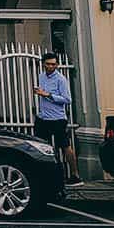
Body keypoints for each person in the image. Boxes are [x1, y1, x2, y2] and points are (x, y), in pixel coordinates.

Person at [34, 52, 82, 186]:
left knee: (65, 146)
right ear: (43, 64)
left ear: (57, 65)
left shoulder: (61, 79)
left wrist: (48, 94)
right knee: (43, 147)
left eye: (53, 64)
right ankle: (47, 176)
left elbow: (67, 99)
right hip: (43, 118)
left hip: (58, 119)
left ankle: (75, 175)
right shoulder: (41, 76)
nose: (51, 66)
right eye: (48, 64)